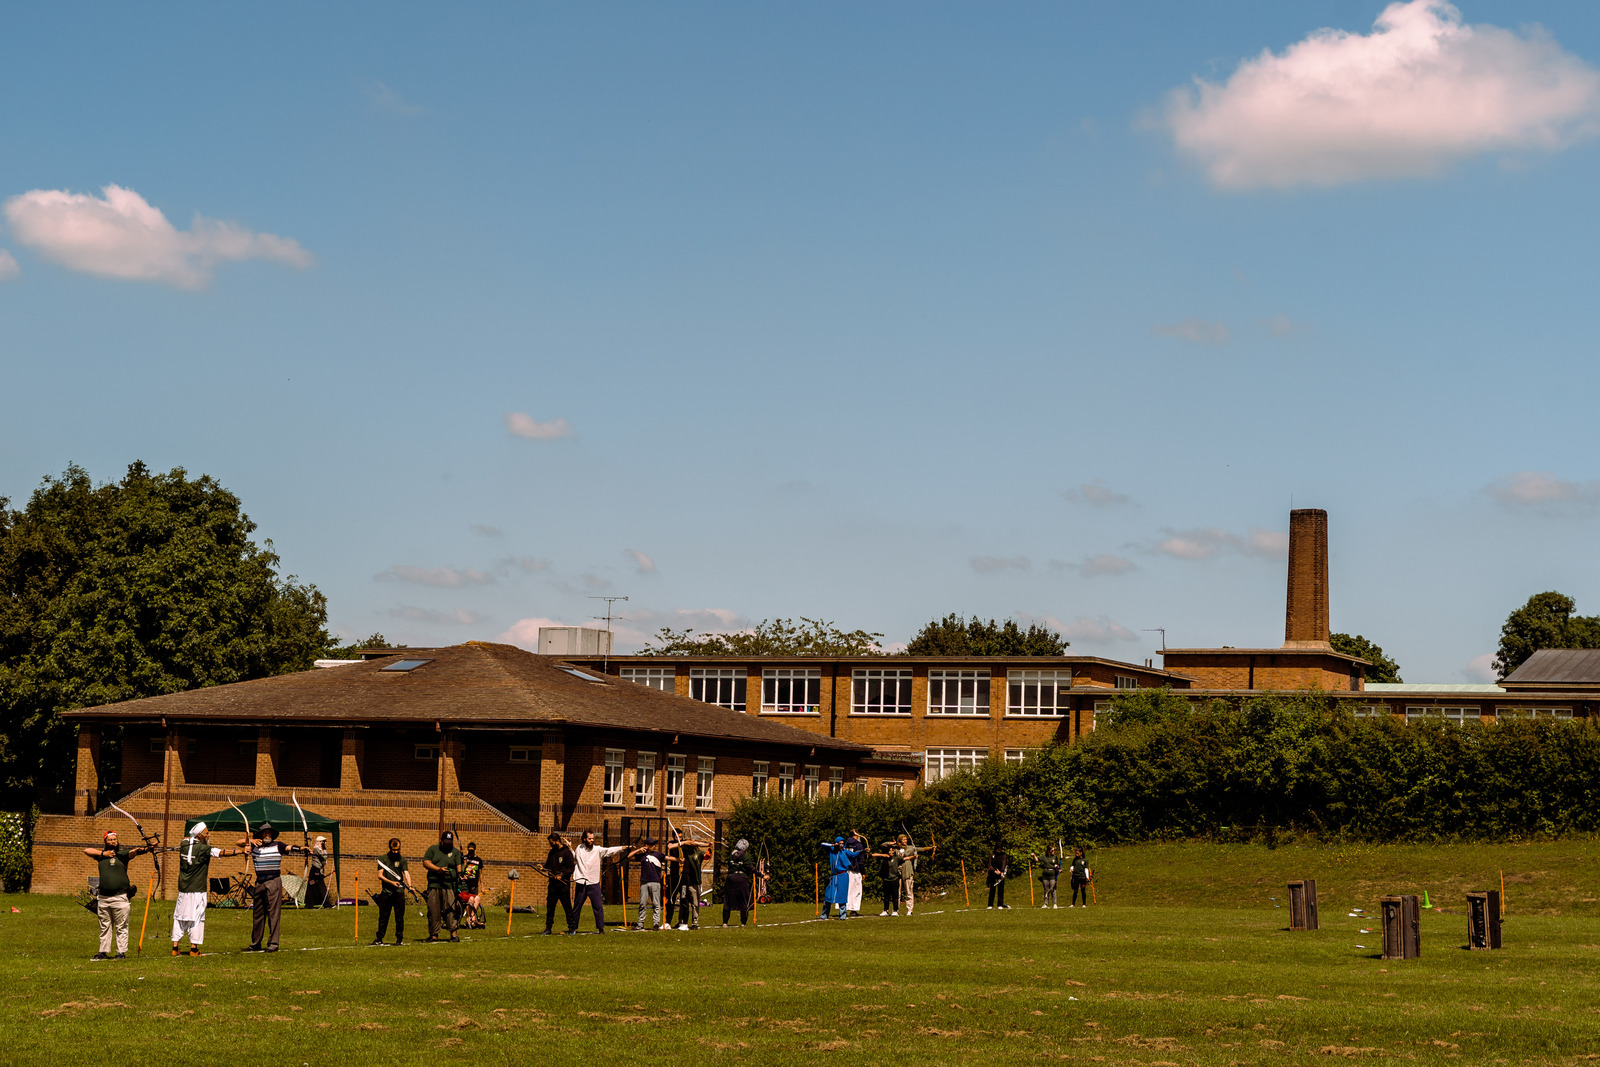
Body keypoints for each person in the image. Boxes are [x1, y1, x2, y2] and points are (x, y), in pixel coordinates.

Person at [171, 822, 243, 956]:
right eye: (206, 833)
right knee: (197, 918)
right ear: (199, 835)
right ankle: (193, 949)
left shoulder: (183, 844)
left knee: (180, 917)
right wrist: (241, 851)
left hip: (183, 889)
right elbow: (221, 852)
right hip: (198, 890)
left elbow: (188, 838)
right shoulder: (204, 849)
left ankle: (175, 948)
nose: (208, 835)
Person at [82, 829, 154, 960]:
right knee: (105, 925)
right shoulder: (100, 856)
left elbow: (134, 852)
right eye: (110, 840)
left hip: (120, 897)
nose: (113, 842)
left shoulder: (122, 855)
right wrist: (104, 853)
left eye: (114, 839)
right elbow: (86, 850)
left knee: (121, 925)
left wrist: (147, 848)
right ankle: (103, 952)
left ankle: (121, 952)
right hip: (103, 897)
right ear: (105, 841)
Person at [241, 822, 307, 952]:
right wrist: (251, 841)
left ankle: (273, 944)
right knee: (258, 914)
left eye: (269, 832)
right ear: (260, 835)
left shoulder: (278, 845)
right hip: (260, 882)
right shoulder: (254, 846)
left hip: (274, 881)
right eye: (265, 833)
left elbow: (289, 847)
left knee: (273, 913)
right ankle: (255, 943)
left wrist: (301, 849)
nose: (267, 834)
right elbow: (239, 842)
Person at [569, 830, 630, 933]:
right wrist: (570, 848)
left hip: (593, 882)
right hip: (581, 881)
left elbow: (611, 850)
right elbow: (575, 858)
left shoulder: (598, 849)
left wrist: (624, 848)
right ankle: (573, 928)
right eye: (589, 838)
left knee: (598, 906)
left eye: (593, 839)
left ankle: (601, 928)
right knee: (577, 906)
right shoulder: (579, 848)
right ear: (584, 839)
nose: (592, 840)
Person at [421, 830, 463, 942]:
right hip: (434, 884)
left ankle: (454, 934)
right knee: (433, 910)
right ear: (441, 841)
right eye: (446, 842)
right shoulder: (433, 849)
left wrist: (459, 874)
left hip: (449, 886)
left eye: (450, 842)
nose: (448, 844)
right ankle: (434, 934)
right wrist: (438, 869)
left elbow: (459, 867)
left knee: (450, 909)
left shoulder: (456, 852)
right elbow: (426, 862)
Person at [669, 829, 713, 930]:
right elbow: (673, 846)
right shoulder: (686, 850)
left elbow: (706, 857)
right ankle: (681, 921)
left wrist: (709, 847)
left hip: (694, 881)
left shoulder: (699, 852)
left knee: (695, 903)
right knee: (683, 902)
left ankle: (695, 922)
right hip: (685, 879)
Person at [372, 838, 414, 945]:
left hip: (399, 894)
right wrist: (391, 882)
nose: (395, 852)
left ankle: (399, 939)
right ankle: (379, 938)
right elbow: (380, 875)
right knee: (383, 917)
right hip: (386, 893)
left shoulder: (402, 860)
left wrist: (410, 886)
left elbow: (406, 873)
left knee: (399, 918)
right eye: (393, 849)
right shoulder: (383, 859)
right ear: (389, 848)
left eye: (397, 849)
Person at [629, 837, 667, 931]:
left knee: (656, 903)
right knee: (642, 903)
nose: (653, 846)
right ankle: (640, 923)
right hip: (644, 882)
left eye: (654, 845)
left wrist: (679, 860)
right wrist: (639, 850)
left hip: (655, 881)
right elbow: (629, 856)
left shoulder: (658, 854)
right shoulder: (642, 855)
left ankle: (656, 924)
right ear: (646, 846)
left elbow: (667, 858)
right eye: (651, 845)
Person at [541, 833, 575, 935]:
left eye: (552, 843)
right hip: (552, 885)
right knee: (550, 907)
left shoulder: (566, 853)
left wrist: (562, 875)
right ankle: (548, 928)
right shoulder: (551, 853)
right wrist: (542, 868)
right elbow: (547, 866)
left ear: (557, 841)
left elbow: (571, 868)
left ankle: (572, 928)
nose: (550, 845)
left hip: (563, 885)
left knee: (567, 907)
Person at [893, 834, 934, 916]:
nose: (905, 841)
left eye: (906, 839)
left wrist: (930, 848)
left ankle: (909, 910)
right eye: (903, 840)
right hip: (897, 870)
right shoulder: (895, 849)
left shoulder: (910, 848)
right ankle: (895, 910)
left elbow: (920, 849)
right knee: (897, 891)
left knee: (909, 890)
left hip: (907, 870)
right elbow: (884, 845)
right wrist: (894, 844)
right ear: (900, 840)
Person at [721, 838, 755, 928]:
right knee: (744, 901)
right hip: (742, 880)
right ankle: (743, 923)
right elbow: (750, 868)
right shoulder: (745, 856)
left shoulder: (731, 855)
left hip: (731, 879)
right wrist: (762, 875)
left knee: (727, 901)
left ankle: (725, 922)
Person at [819, 836, 851, 919]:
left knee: (842, 895)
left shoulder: (843, 852)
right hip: (834, 877)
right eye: (840, 843)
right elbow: (822, 844)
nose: (841, 845)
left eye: (842, 844)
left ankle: (842, 915)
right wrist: (833, 845)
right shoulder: (831, 851)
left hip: (843, 876)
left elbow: (854, 854)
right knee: (828, 895)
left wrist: (863, 851)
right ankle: (824, 915)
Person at [458, 842, 484, 928]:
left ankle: (473, 918)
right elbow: (462, 869)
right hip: (466, 884)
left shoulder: (479, 860)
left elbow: (480, 874)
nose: (471, 852)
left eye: (472, 851)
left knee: (475, 900)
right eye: (469, 850)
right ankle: (467, 919)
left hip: (474, 884)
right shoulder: (466, 858)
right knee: (468, 901)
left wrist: (482, 885)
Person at [872, 840, 900, 916]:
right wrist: (883, 855)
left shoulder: (896, 858)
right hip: (886, 879)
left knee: (895, 896)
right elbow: (873, 855)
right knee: (886, 896)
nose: (891, 852)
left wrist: (914, 857)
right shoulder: (883, 858)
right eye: (890, 851)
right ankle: (885, 910)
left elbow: (905, 858)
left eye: (892, 851)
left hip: (894, 879)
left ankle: (895, 910)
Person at [844, 831, 867, 916]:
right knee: (856, 890)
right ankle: (853, 909)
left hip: (846, 869)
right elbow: (861, 860)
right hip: (855, 870)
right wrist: (863, 871)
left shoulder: (845, 844)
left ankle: (844, 909)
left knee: (847, 890)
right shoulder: (858, 845)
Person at [1032, 846, 1062, 910]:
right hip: (1045, 876)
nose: (1053, 852)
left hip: (1053, 875)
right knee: (1046, 889)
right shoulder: (1044, 857)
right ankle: (1045, 903)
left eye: (1054, 850)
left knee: (1053, 889)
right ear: (1048, 851)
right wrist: (1034, 856)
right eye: (1052, 850)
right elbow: (1037, 860)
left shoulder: (1055, 857)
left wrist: (1058, 869)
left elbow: (1058, 865)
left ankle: (1055, 904)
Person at [305, 835, 330, 908]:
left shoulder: (321, 850)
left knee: (314, 886)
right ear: (320, 842)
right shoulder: (316, 849)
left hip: (319, 870)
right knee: (319, 886)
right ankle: (326, 904)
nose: (325, 843)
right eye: (324, 841)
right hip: (316, 870)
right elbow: (323, 857)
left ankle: (310, 904)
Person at [986, 844, 1010, 910]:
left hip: (1001, 874)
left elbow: (1004, 863)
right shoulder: (992, 854)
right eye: (998, 848)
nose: (999, 850)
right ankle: (990, 904)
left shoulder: (1003, 855)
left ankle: (1000, 904)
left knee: (1001, 889)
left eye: (1000, 848)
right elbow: (989, 865)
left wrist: (1002, 872)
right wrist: (994, 871)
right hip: (992, 873)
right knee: (992, 889)